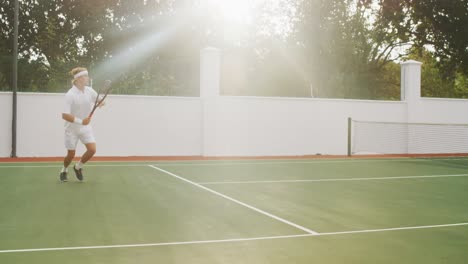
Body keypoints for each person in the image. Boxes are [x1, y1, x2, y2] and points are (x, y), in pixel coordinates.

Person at [59, 67, 105, 182]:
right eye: (85, 76)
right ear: (79, 79)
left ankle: (78, 167)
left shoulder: (89, 90)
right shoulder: (70, 95)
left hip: (85, 128)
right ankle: (64, 170)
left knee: (92, 150)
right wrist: (81, 121)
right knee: (71, 154)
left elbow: (100, 100)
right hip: (72, 129)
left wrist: (101, 103)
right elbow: (64, 115)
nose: (87, 78)